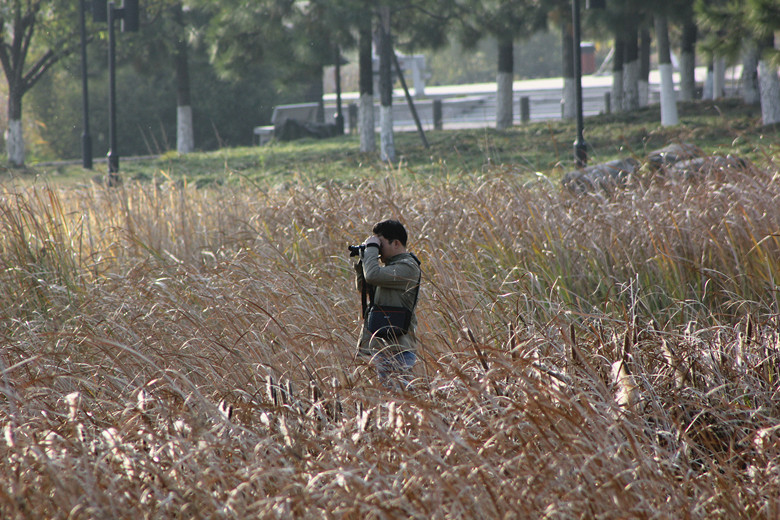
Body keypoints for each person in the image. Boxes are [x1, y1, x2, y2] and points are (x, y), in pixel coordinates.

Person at [354, 219, 421, 389]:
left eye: (380, 244)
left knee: (400, 397)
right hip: (384, 345)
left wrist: (371, 251)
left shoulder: (408, 267)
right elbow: (364, 287)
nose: (378, 249)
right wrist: (364, 260)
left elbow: (373, 276)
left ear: (396, 243)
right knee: (391, 396)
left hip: (398, 348)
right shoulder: (387, 269)